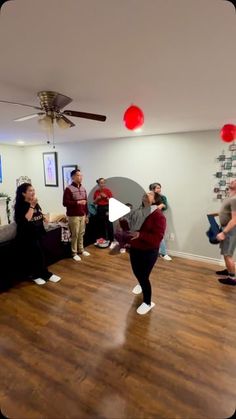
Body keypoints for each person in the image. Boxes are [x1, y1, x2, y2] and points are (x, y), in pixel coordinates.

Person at [14, 183, 61, 285]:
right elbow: (26, 219)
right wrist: (32, 205)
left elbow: (38, 212)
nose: (33, 192)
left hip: (38, 232)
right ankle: (36, 275)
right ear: (23, 193)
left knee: (40, 255)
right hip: (27, 236)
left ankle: (44, 274)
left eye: (33, 190)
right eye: (30, 190)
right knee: (34, 256)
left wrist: (44, 217)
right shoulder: (20, 206)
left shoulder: (35, 203)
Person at [129, 192, 166, 315]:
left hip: (148, 251)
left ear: (155, 200)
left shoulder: (158, 216)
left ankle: (147, 302)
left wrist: (140, 234)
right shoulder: (140, 211)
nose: (146, 193)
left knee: (144, 277)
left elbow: (157, 238)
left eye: (150, 194)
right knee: (137, 272)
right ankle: (140, 284)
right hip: (135, 248)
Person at [63, 169, 90, 261]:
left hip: (82, 215)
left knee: (81, 233)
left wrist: (86, 215)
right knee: (75, 234)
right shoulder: (68, 189)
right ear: (73, 177)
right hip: (73, 215)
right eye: (78, 175)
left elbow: (86, 203)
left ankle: (81, 250)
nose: (80, 177)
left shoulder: (83, 189)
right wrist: (77, 202)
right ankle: (74, 253)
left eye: (81, 175)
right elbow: (65, 203)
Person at [213, 179, 236, 285]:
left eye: (235, 181)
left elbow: (234, 219)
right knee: (225, 252)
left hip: (230, 230)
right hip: (225, 228)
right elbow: (227, 212)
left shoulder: (235, 199)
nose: (232, 181)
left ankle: (232, 278)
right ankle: (228, 270)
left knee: (228, 254)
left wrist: (224, 232)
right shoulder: (230, 197)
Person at [149, 182, 172, 261]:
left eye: (160, 187)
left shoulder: (163, 197)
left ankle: (163, 253)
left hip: (159, 218)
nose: (159, 189)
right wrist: (159, 206)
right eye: (157, 188)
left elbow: (165, 207)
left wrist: (160, 206)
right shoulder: (149, 196)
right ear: (153, 189)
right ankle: (156, 252)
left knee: (160, 235)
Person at [93, 178, 116, 249]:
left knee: (109, 225)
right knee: (100, 225)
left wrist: (105, 197)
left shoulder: (108, 191)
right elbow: (94, 202)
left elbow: (112, 201)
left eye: (103, 183)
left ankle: (112, 241)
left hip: (107, 208)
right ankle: (102, 240)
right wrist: (98, 198)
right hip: (100, 208)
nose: (102, 184)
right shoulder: (96, 192)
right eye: (101, 183)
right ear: (98, 184)